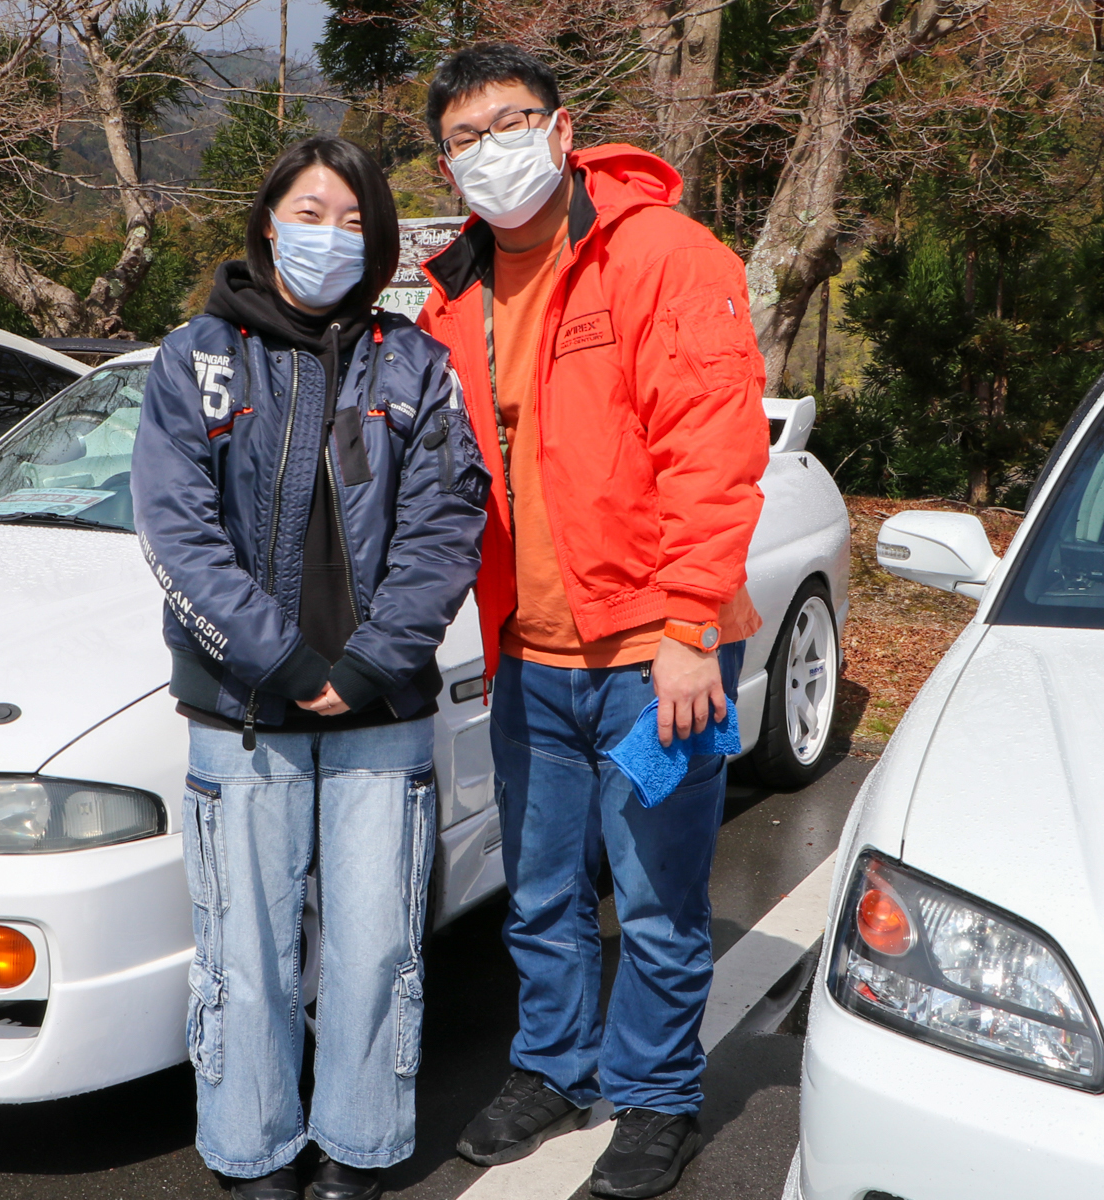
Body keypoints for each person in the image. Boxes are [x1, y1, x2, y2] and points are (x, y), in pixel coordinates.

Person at [414, 44, 770, 1200]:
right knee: (543, 890)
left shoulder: (662, 255)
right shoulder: (455, 293)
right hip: (530, 657)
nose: (492, 151)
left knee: (658, 897)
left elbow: (713, 451)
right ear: (446, 164)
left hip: (654, 657)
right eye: (465, 138)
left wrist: (690, 629)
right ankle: (553, 1066)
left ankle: (657, 1096)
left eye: (510, 123)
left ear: (563, 130)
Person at [132, 136, 489, 1200]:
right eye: (308, 212)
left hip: (382, 711)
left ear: (378, 244)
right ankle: (254, 1149)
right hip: (244, 712)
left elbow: (447, 526)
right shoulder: (196, 357)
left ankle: (358, 1144)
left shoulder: (415, 362)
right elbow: (175, 528)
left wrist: (372, 660)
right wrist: (283, 661)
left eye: (352, 221)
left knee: (375, 949)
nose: (328, 236)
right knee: (246, 954)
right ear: (267, 221)